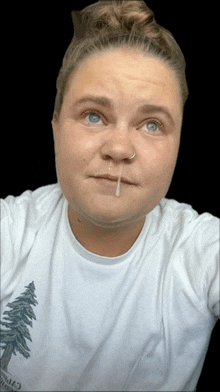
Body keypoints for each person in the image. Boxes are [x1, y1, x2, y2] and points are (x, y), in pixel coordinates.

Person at [0, 1, 219, 391]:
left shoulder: (202, 250)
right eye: (93, 115)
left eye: (152, 124)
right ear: (55, 129)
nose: (119, 148)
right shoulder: (10, 231)